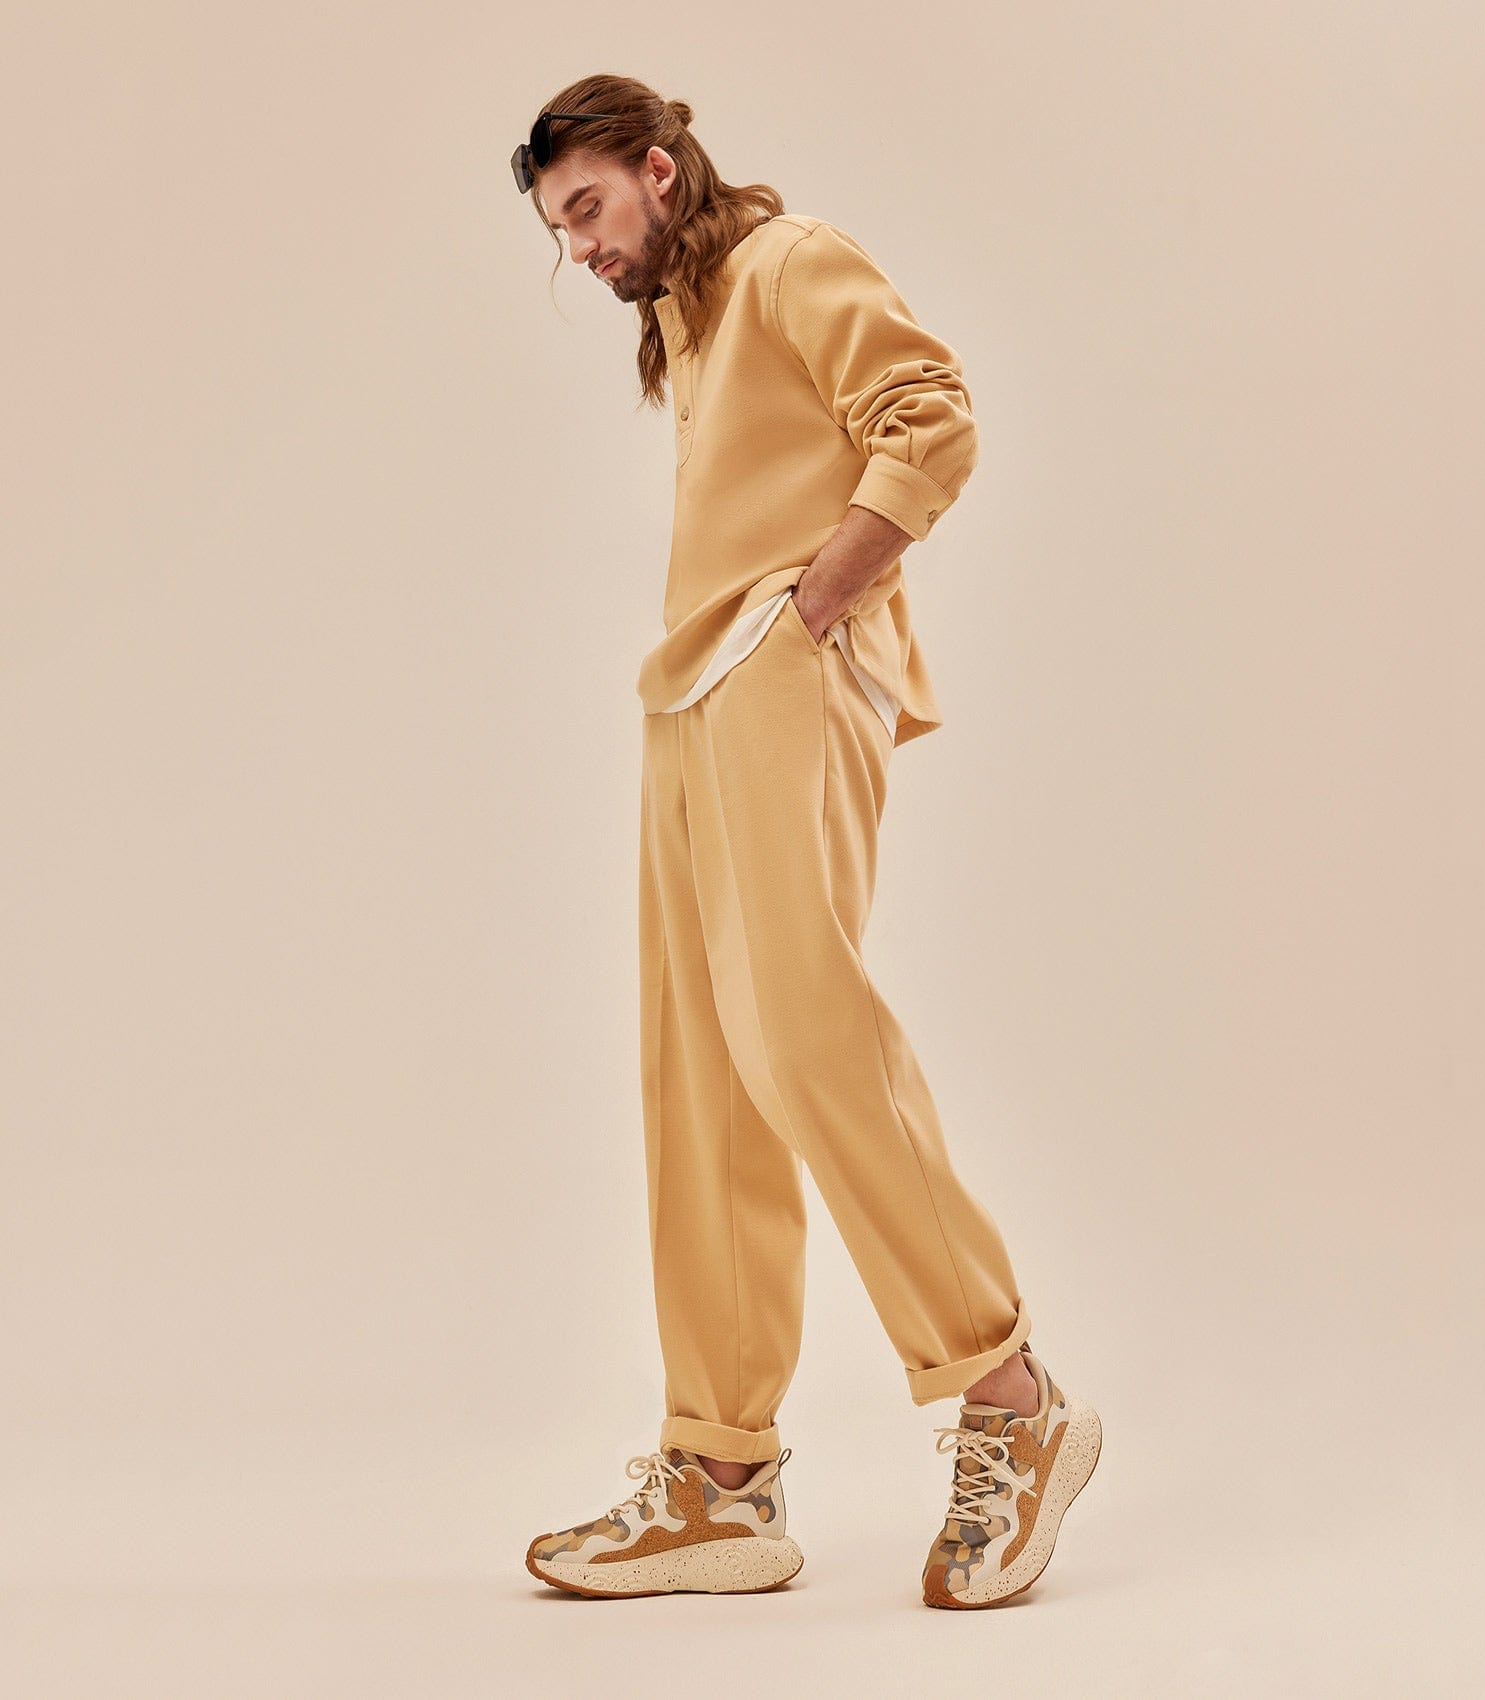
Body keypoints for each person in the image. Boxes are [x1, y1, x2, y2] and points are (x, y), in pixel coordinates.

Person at [510, 75, 1101, 1609]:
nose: (580, 247)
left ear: (659, 169)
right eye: (559, 228)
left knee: (803, 1032)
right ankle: (719, 1477)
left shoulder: (787, 261)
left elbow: (932, 415)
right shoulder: (696, 322)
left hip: (783, 668)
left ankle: (1011, 1399)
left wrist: (818, 604)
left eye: (588, 208)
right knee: (702, 1075)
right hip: (691, 693)